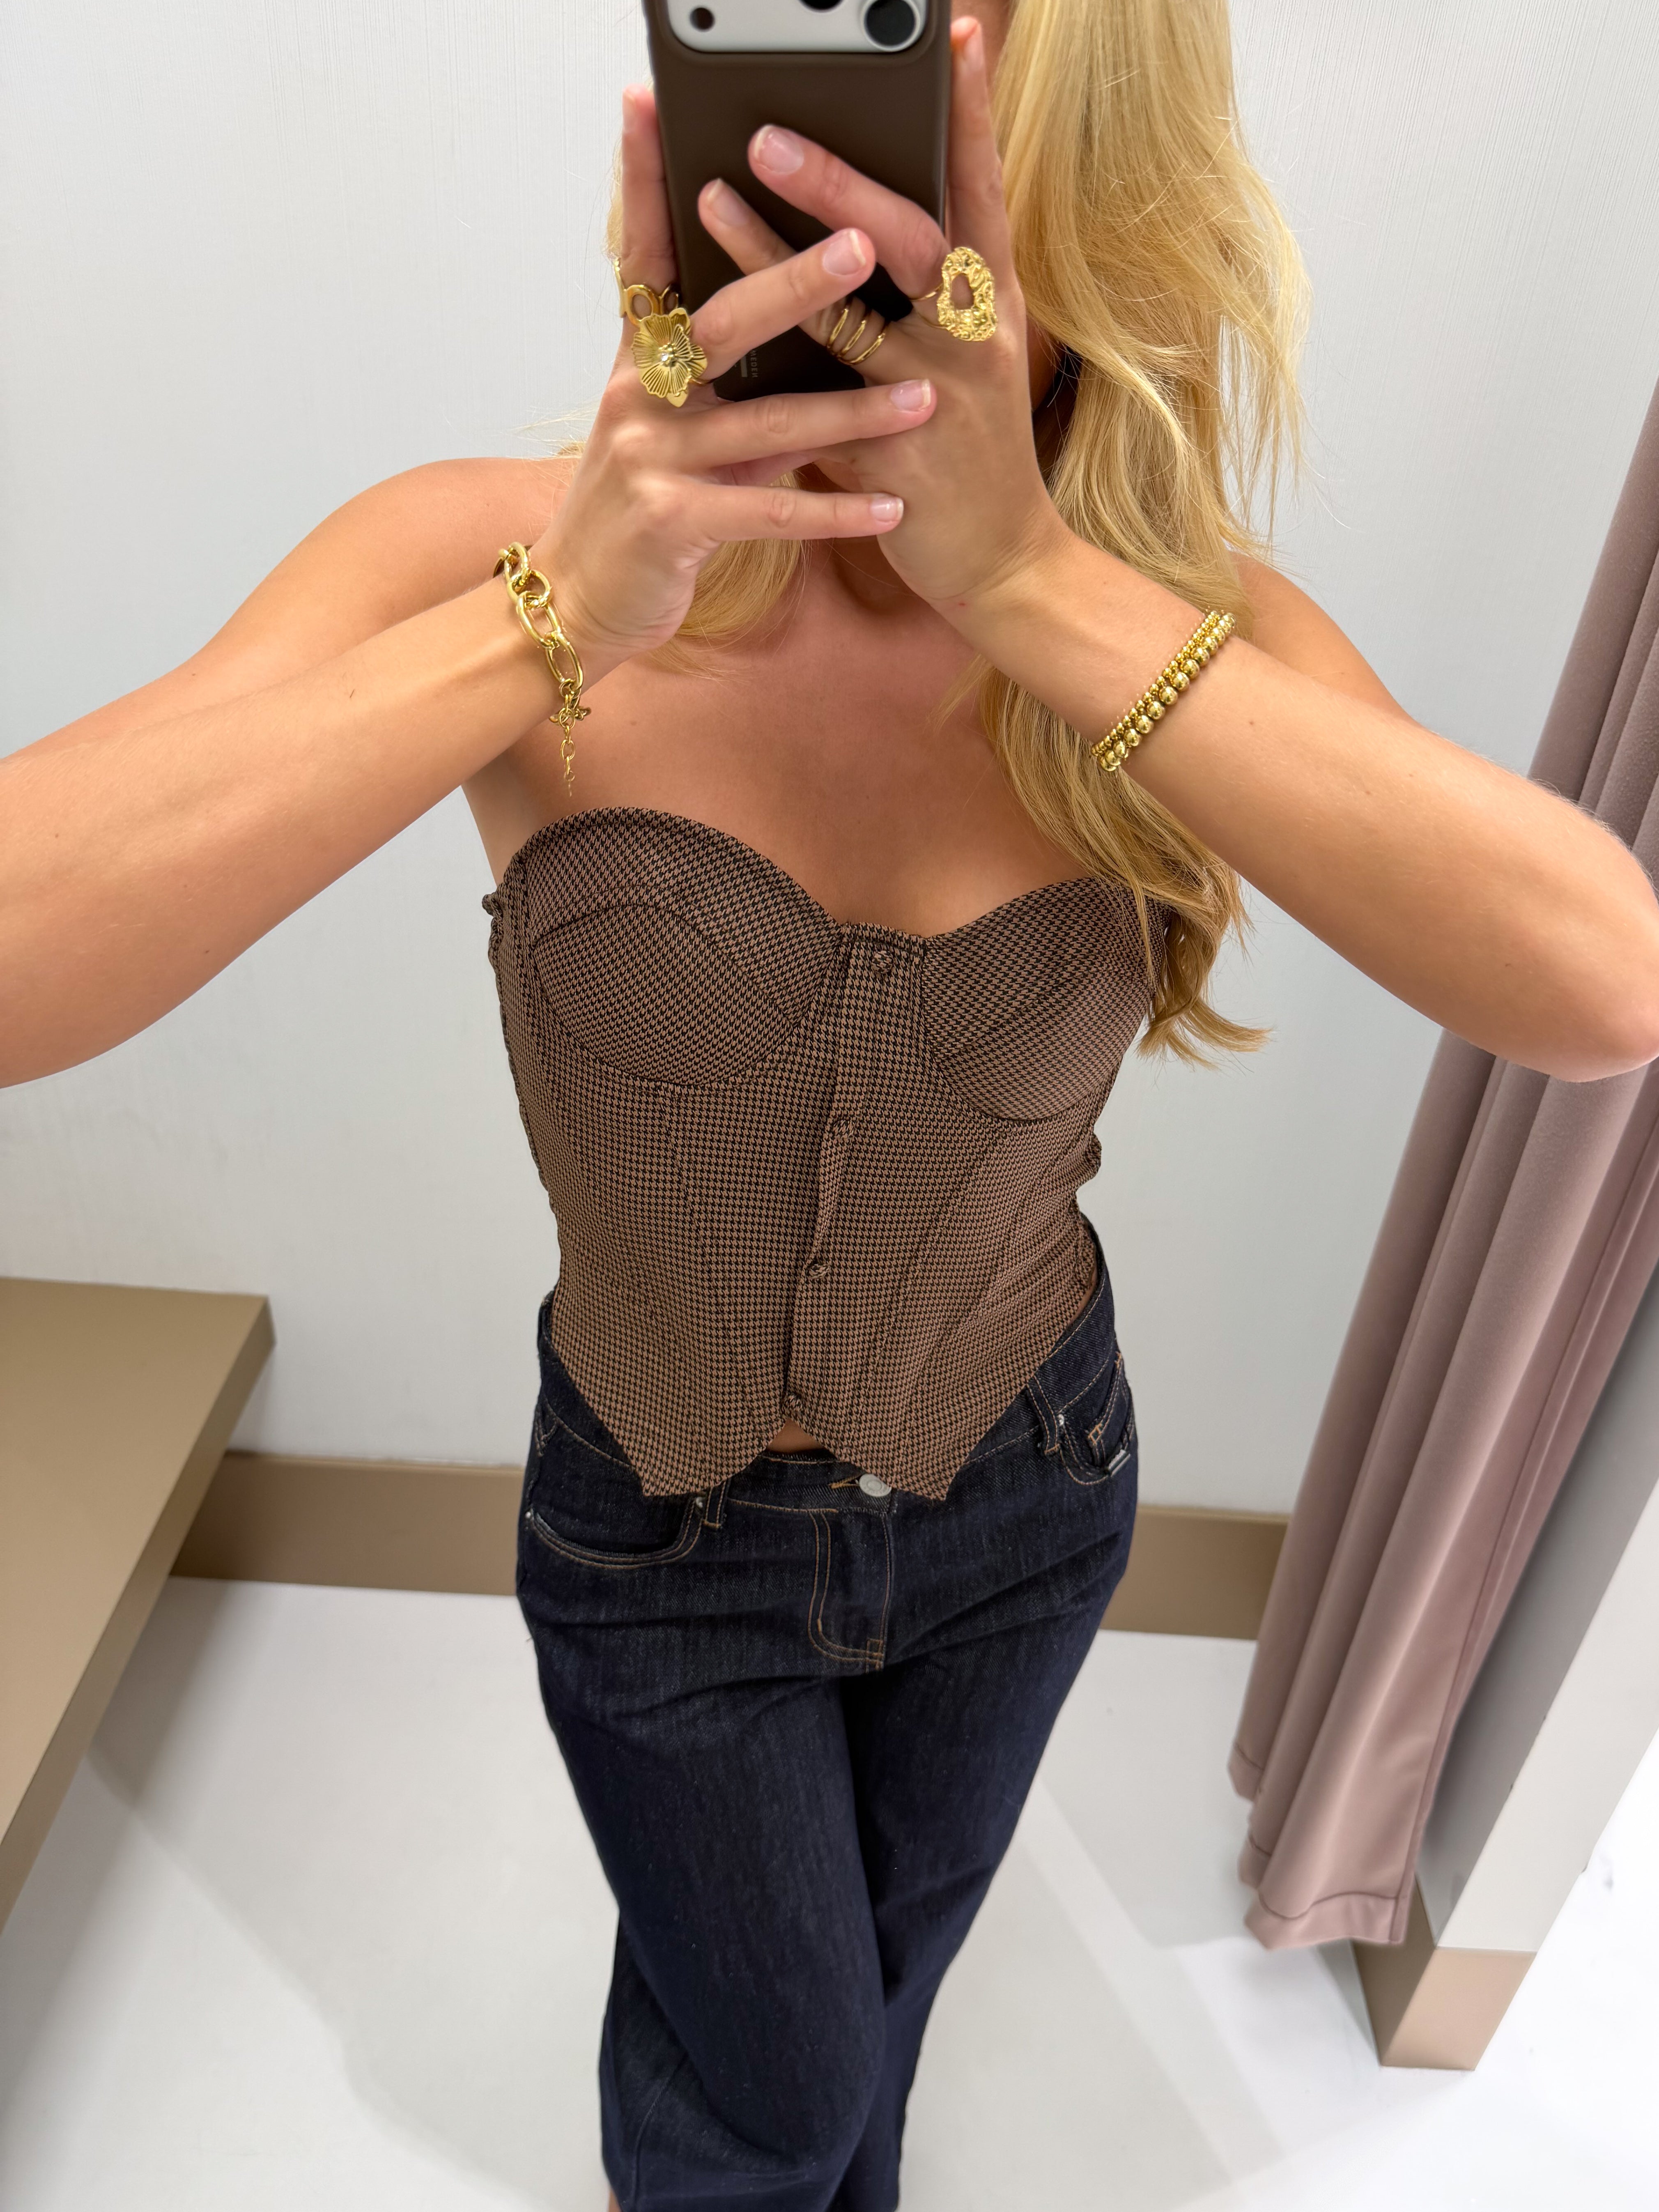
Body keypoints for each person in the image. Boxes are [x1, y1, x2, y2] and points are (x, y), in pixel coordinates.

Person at [5, 3, 1657, 2205]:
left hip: (1031, 1487)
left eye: (951, 102)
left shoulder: (1178, 635)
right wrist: (557, 610)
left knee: (877, 2003)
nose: (866, 196)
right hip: (656, 1527)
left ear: (1095, 173)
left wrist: (1031, 589)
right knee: (764, 2096)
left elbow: (1602, 983)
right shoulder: (487, 561)